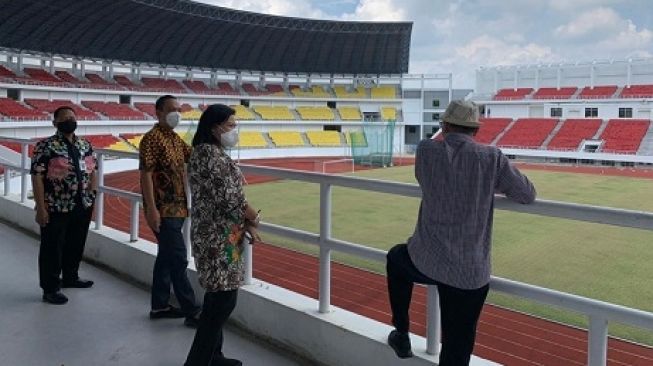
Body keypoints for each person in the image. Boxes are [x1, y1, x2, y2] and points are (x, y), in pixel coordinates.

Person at [386, 100, 536, 365]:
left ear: (444, 126)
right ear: (475, 130)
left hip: (425, 261)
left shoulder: (426, 150)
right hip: (468, 273)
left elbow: (426, 177)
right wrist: (487, 180)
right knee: (457, 346)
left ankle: (402, 331)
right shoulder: (491, 157)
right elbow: (526, 194)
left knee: (396, 259)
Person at [184, 104, 262, 366]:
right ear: (214, 127)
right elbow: (231, 199)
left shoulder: (206, 152)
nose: (234, 130)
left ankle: (213, 356)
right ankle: (198, 361)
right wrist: (254, 217)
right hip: (217, 240)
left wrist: (245, 222)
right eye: (230, 125)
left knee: (217, 298)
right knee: (221, 303)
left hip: (219, 236)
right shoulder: (209, 155)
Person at [139, 95, 200, 327]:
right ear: (158, 112)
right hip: (163, 210)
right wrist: (152, 210)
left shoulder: (174, 140)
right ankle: (192, 310)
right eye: (172, 109)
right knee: (178, 259)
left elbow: (193, 156)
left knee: (165, 258)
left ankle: (159, 306)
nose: (177, 113)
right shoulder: (151, 140)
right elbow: (145, 174)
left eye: (179, 109)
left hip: (178, 209)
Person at [31, 106, 97, 305]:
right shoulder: (45, 146)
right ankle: (50, 288)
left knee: (76, 243)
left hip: (82, 204)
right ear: (55, 123)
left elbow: (93, 170)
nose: (69, 120)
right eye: (65, 118)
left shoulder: (85, 145)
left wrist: (93, 193)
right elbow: (37, 177)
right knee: (52, 247)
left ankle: (71, 277)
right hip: (55, 206)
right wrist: (41, 207)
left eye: (72, 117)